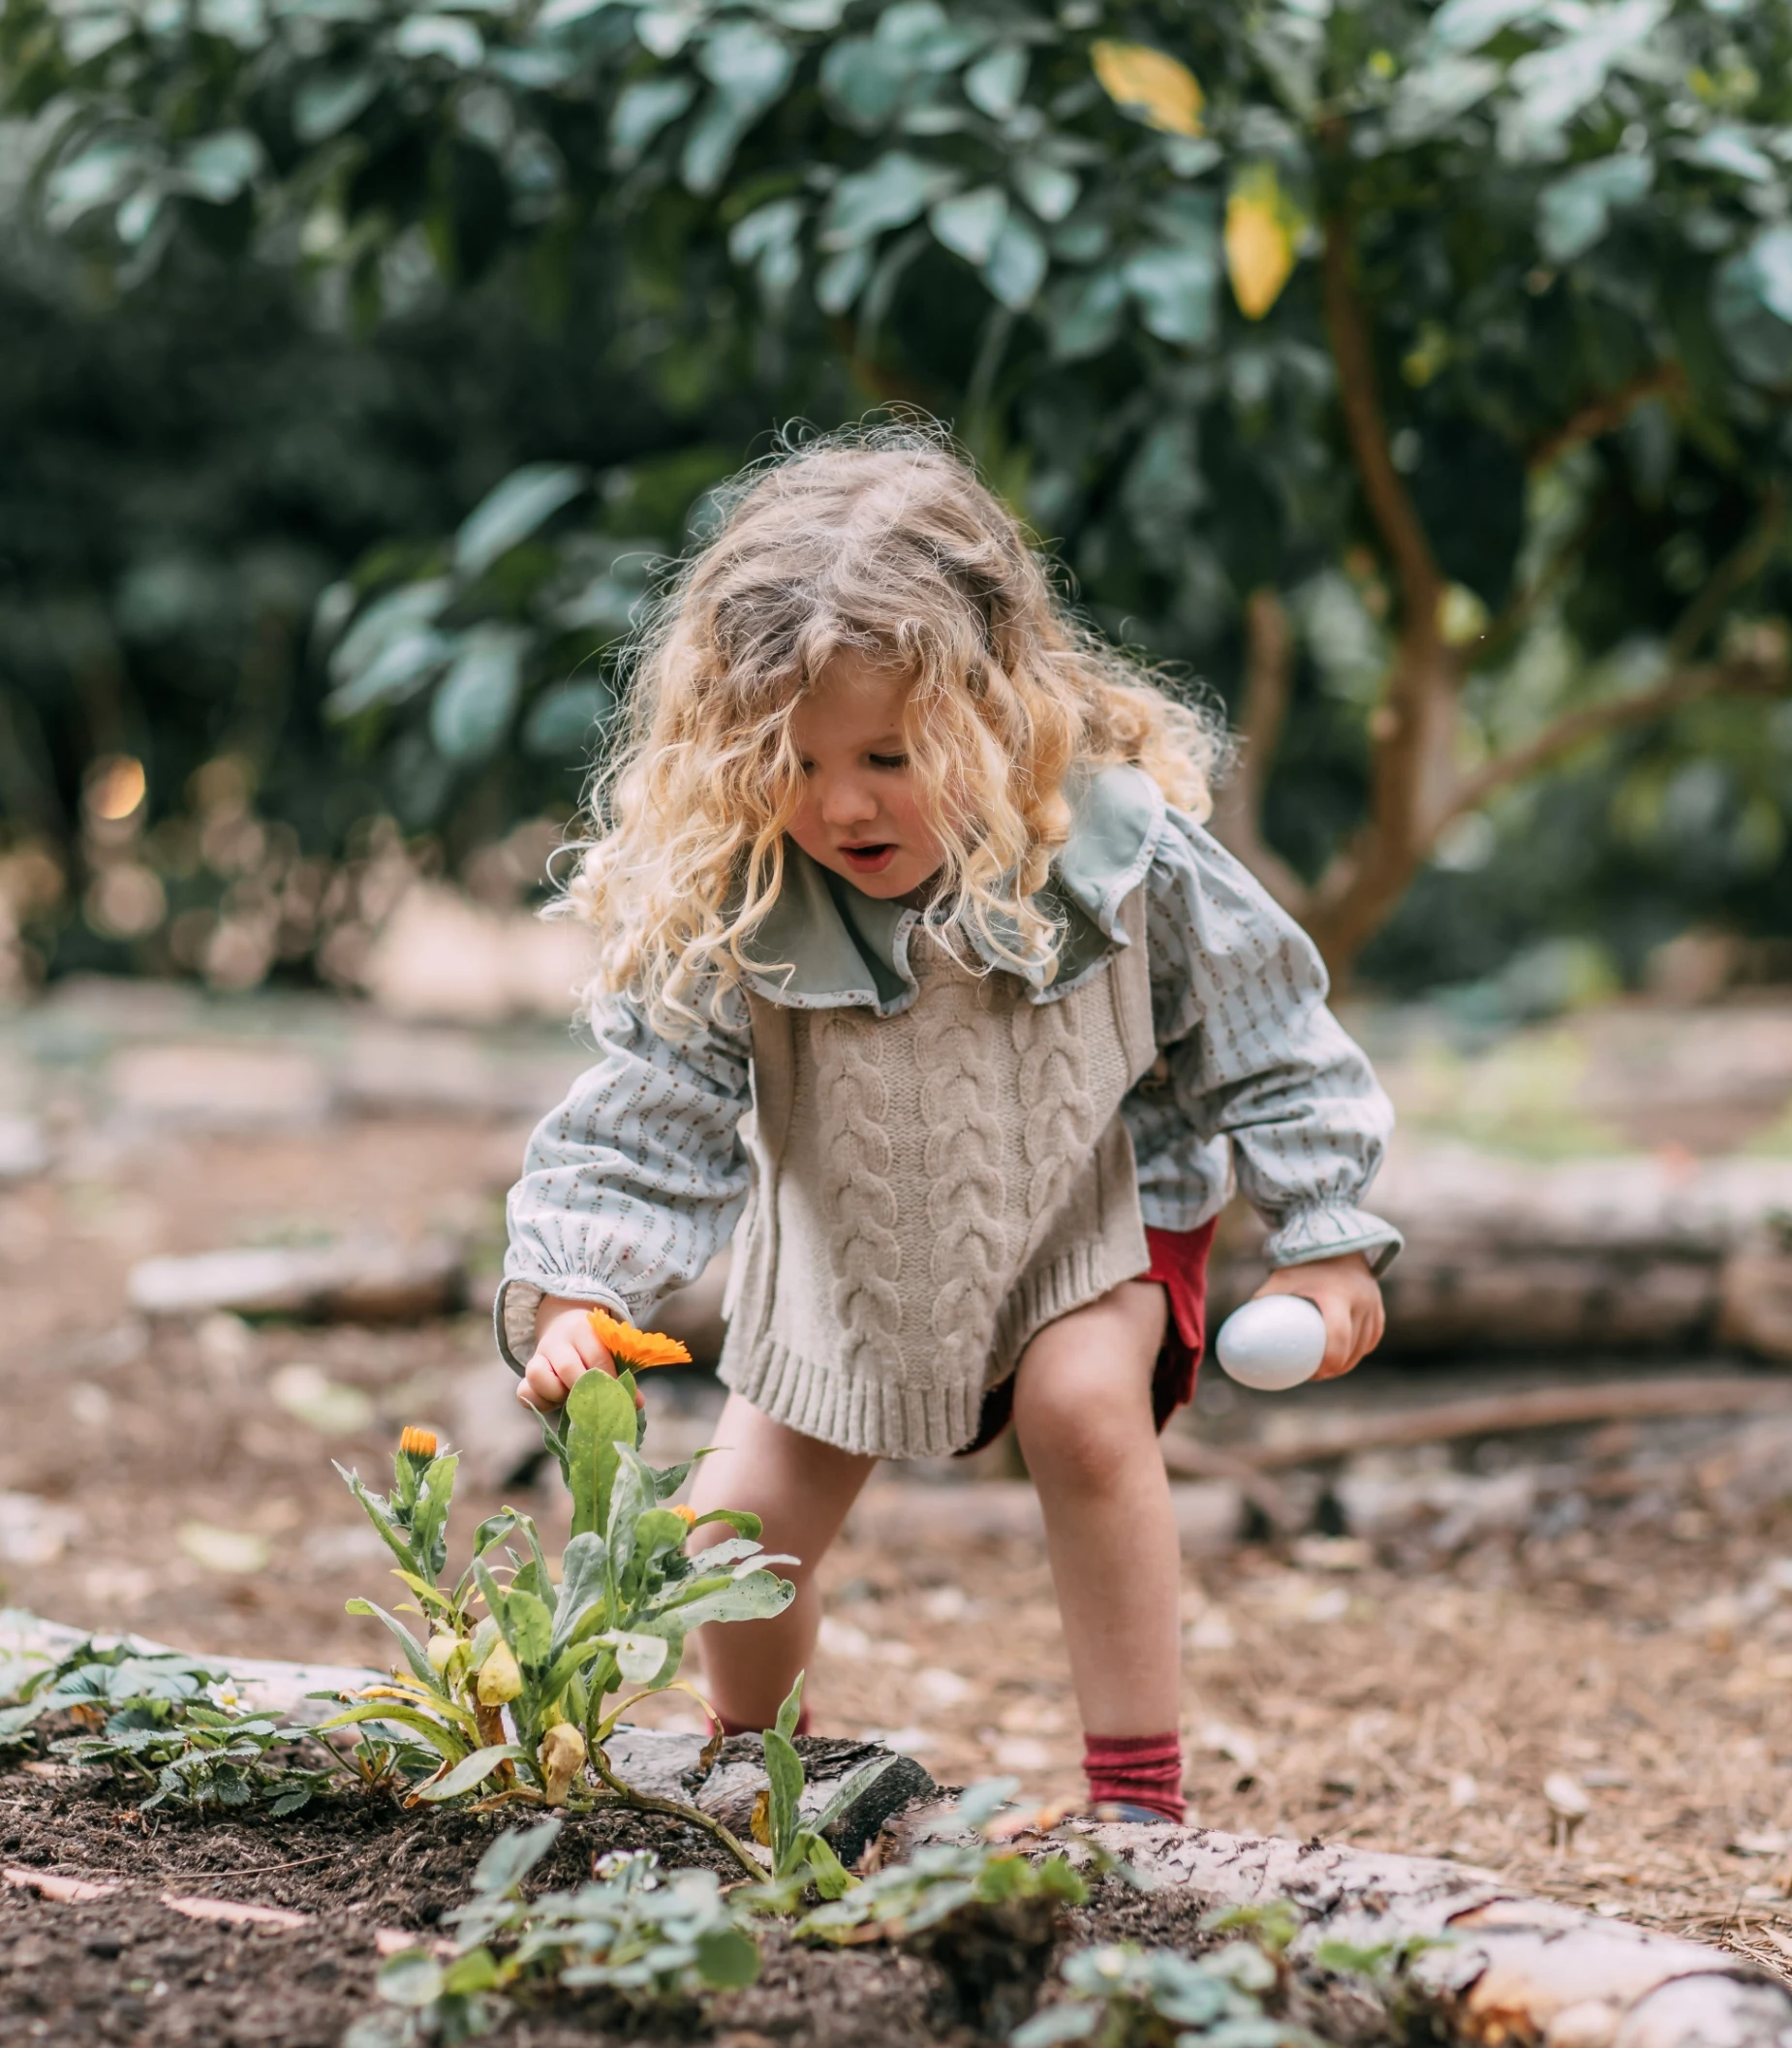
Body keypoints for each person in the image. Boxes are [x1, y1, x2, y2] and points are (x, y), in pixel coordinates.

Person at [498, 426, 1398, 1825]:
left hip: (1079, 1222)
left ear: (994, 710)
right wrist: (575, 1284)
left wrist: (1328, 1236)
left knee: (1085, 1410)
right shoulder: (747, 902)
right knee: (732, 1533)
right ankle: (751, 1776)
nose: (842, 800)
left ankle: (1138, 1805)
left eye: (890, 752)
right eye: (793, 762)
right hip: (847, 1263)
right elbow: (646, 1112)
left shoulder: (1108, 852)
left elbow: (1270, 1034)